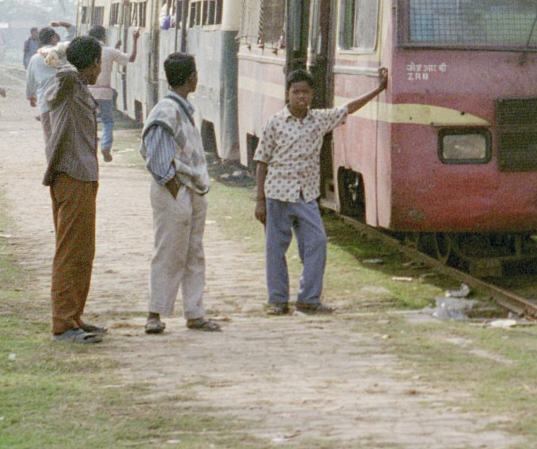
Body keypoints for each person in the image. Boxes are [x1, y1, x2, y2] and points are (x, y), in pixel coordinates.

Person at [253, 67, 388, 314]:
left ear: (312, 95)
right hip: (277, 194)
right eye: (296, 92)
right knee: (275, 250)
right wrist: (259, 199)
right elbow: (261, 161)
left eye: (305, 92)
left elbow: (348, 108)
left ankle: (309, 299)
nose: (301, 97)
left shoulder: (320, 120)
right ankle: (277, 300)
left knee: (317, 243)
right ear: (288, 94)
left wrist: (378, 89)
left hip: (306, 196)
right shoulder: (275, 123)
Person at [141, 51, 221, 334]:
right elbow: (156, 157)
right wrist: (175, 187)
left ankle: (194, 312)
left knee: (193, 253)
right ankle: (155, 312)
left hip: (191, 190)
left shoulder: (180, 108)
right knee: (168, 251)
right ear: (191, 78)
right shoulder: (167, 111)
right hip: (174, 190)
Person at [41, 35, 105, 343]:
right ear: (92, 64)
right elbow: (62, 68)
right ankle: (63, 323)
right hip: (71, 177)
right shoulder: (67, 84)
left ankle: (75, 315)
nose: (100, 70)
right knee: (69, 252)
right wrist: (67, 55)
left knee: (83, 251)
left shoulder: (78, 88)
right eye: (98, 63)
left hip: (84, 176)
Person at [87, 24, 139, 163]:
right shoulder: (109, 51)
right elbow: (131, 58)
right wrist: (135, 40)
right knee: (107, 121)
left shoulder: (86, 51)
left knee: (88, 121)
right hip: (105, 92)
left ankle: (89, 149)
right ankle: (105, 147)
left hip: (88, 91)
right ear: (103, 36)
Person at [25, 27, 61, 136]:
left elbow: (30, 80)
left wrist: (30, 96)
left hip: (44, 99)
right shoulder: (62, 55)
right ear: (54, 38)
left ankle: (51, 151)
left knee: (48, 133)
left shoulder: (35, 58)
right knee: (61, 132)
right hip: (61, 98)